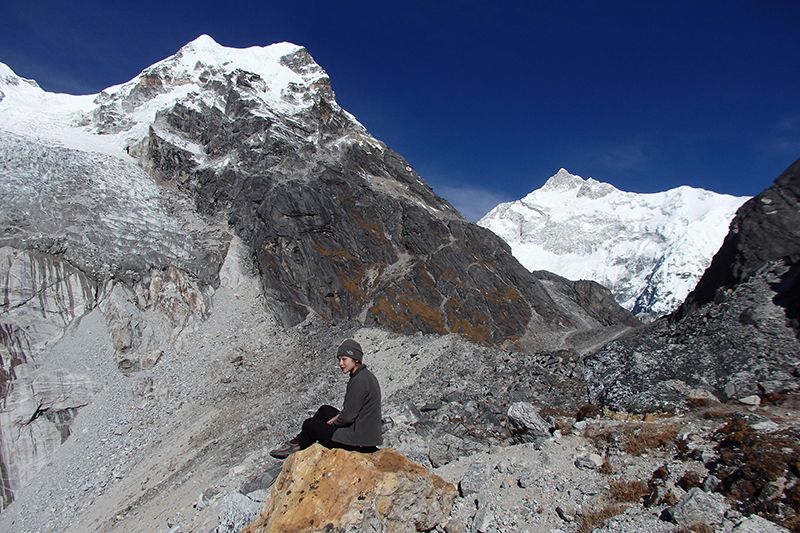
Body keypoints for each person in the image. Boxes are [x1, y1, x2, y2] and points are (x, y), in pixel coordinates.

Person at [269, 339, 382, 459]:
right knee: (325, 410)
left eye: (344, 359)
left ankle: (297, 448)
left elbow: (348, 417)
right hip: (365, 435)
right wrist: (337, 418)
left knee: (310, 424)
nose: (340, 364)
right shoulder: (366, 375)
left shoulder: (359, 381)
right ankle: (298, 443)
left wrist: (334, 423)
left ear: (356, 359)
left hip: (358, 442)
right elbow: (353, 412)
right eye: (339, 359)